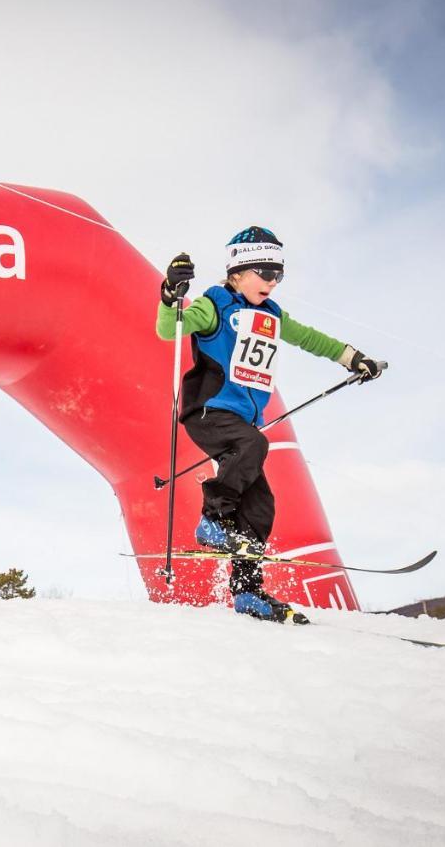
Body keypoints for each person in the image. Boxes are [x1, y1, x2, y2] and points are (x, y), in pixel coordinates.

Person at [156, 226, 383, 624]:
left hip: (240, 422)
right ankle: (212, 520)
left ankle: (247, 593)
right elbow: (168, 327)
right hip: (208, 412)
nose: (272, 281)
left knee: (261, 506)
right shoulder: (216, 305)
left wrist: (353, 358)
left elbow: (313, 339)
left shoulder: (272, 316)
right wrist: (170, 295)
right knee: (253, 446)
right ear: (238, 272)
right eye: (264, 271)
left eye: (279, 273)